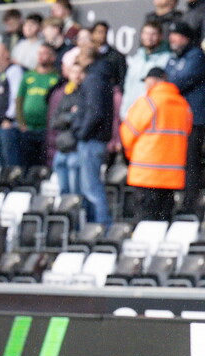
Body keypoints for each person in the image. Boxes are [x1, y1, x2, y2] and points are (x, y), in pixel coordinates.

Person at [121, 67, 193, 221]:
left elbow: (127, 133)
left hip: (145, 173)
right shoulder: (183, 105)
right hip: (172, 176)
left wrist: (129, 156)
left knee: (145, 221)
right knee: (163, 220)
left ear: (152, 81)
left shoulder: (147, 103)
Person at [166, 21, 205, 217]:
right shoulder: (174, 58)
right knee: (180, 162)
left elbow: (178, 81)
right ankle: (181, 201)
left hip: (195, 119)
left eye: (177, 35)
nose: (173, 39)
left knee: (192, 163)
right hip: (177, 121)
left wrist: (168, 83)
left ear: (187, 37)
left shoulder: (196, 55)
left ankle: (191, 205)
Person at [73, 46, 114, 226]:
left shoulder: (93, 79)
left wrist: (82, 133)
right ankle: (98, 226)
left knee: (91, 188)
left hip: (92, 140)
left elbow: (95, 112)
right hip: (97, 139)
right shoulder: (100, 78)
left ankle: (103, 227)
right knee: (91, 187)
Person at [16, 45, 60, 167]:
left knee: (43, 163)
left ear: (52, 57)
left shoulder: (56, 78)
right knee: (26, 164)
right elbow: (19, 100)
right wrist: (21, 123)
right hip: (28, 128)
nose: (41, 56)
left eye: (45, 53)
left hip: (45, 129)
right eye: (39, 53)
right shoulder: (28, 76)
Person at [121, 22, 170, 120]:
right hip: (131, 113)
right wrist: (124, 111)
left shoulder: (167, 58)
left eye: (153, 34)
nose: (149, 37)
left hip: (151, 114)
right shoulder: (137, 58)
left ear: (160, 36)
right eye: (146, 33)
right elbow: (128, 86)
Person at [0, 43, 24, 169]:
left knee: (10, 164)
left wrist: (9, 118)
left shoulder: (13, 71)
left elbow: (16, 97)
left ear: (6, 54)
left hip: (7, 126)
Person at [51, 63, 84, 195]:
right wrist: (70, 115)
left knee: (75, 193)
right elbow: (54, 122)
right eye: (73, 71)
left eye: (79, 72)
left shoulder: (85, 94)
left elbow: (82, 119)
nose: (76, 75)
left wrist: (67, 117)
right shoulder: (65, 94)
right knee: (63, 192)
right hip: (62, 148)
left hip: (76, 148)